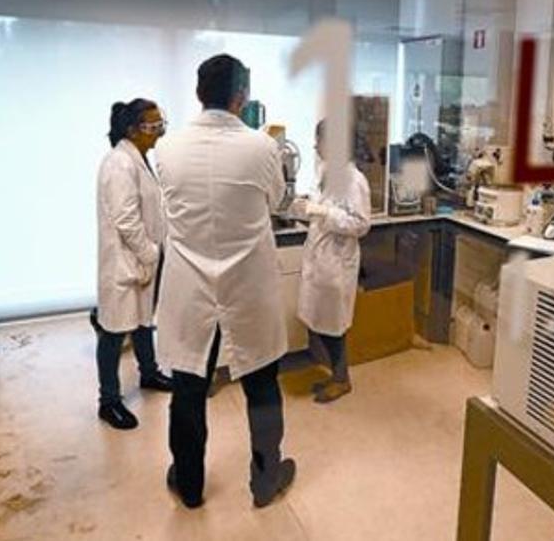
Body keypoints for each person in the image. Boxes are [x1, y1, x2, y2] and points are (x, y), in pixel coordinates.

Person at [152, 54, 295, 510]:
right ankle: (266, 479)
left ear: (199, 93)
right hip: (247, 287)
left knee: (189, 387)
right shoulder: (262, 147)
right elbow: (277, 199)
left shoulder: (166, 148)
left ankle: (190, 484)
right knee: (261, 384)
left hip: (190, 288)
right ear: (242, 96)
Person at [94, 98, 174, 430]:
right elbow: (126, 220)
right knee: (113, 332)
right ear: (131, 130)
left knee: (143, 322)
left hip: (142, 259)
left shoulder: (139, 157)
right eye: (152, 125)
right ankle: (108, 401)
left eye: (160, 123)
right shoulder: (118, 164)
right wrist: (150, 254)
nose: (159, 130)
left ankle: (149, 373)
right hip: (126, 263)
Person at [291, 120, 372, 403]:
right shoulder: (326, 171)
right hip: (321, 257)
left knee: (333, 325)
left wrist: (323, 212)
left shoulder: (354, 179)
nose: (315, 146)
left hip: (336, 262)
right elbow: (322, 203)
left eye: (320, 141)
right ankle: (336, 374)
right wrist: (306, 204)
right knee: (318, 321)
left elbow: (361, 224)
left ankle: (342, 379)